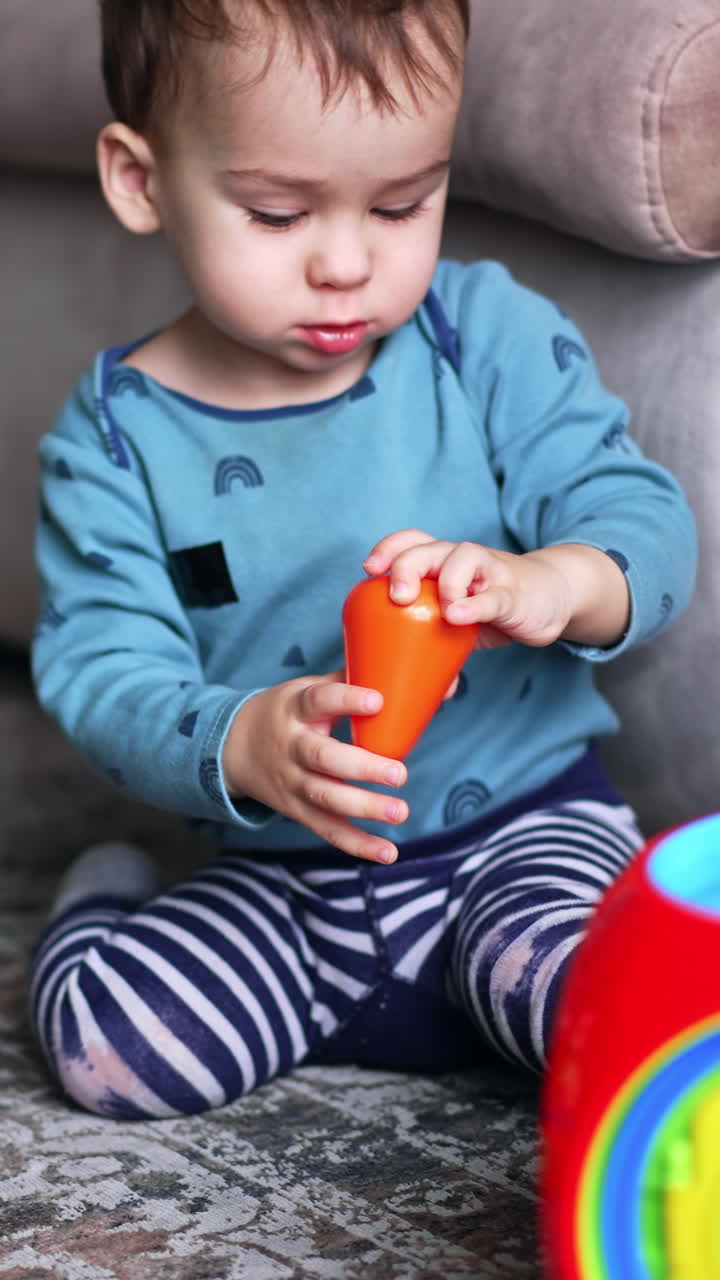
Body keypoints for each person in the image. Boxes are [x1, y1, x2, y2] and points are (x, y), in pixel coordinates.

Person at [30, 0, 696, 1121]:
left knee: (600, 998)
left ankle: (540, 980)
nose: (348, 263)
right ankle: (102, 895)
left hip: (521, 834)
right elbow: (102, 666)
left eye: (402, 203)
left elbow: (637, 511)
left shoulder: (477, 334)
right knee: (114, 1044)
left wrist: (555, 581)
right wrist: (239, 740)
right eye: (278, 214)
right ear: (141, 181)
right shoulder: (112, 439)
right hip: (286, 884)